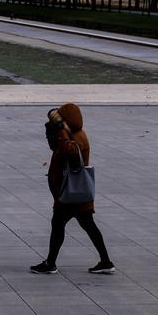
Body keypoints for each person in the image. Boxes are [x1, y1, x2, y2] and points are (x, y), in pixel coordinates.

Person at [31, 103, 114, 275]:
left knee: (60, 225)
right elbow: (57, 148)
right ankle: (105, 261)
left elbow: (70, 154)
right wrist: (54, 131)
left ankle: (51, 263)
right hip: (74, 193)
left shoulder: (77, 137)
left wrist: (61, 131)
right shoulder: (72, 134)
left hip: (71, 192)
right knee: (86, 226)